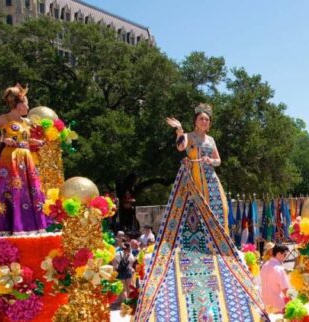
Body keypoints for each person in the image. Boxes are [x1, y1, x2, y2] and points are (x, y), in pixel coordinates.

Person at [135, 104, 267, 322]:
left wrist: (211, 161)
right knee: (192, 209)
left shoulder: (211, 140)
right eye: (201, 119)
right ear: (196, 120)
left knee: (220, 209)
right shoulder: (188, 136)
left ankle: (218, 242)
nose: (204, 122)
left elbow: (218, 160)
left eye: (207, 120)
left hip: (209, 177)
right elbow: (180, 147)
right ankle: (191, 244)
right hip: (193, 176)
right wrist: (178, 130)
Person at [0, 84, 47, 235]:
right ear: (20, 104)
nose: (28, 106)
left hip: (26, 159)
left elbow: (25, 140)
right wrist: (1, 139)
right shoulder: (4, 118)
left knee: (29, 191)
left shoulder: (26, 122)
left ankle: (28, 226)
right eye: (27, 102)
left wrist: (35, 142)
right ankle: (8, 226)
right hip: (10, 159)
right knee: (11, 190)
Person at [261, 244, 292, 314]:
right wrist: (291, 302)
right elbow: (285, 289)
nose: (285, 258)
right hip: (278, 305)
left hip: (266, 303)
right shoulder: (279, 269)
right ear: (278, 254)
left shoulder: (264, 266)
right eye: (284, 255)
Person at [114, 240, 136, 306]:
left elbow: (115, 265)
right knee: (129, 288)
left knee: (122, 289)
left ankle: (124, 303)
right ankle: (130, 303)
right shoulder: (131, 255)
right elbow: (131, 265)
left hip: (120, 273)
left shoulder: (117, 254)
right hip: (128, 272)